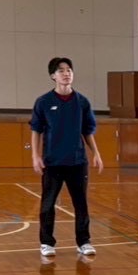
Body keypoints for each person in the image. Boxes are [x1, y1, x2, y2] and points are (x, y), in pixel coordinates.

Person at [30, 56, 104, 259]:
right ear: (53, 76)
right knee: (48, 204)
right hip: (52, 162)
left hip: (77, 161)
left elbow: (87, 131)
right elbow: (36, 130)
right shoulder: (43, 102)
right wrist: (35, 155)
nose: (66, 73)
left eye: (69, 70)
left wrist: (96, 153)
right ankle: (47, 243)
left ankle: (84, 241)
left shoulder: (82, 102)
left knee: (81, 204)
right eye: (61, 70)